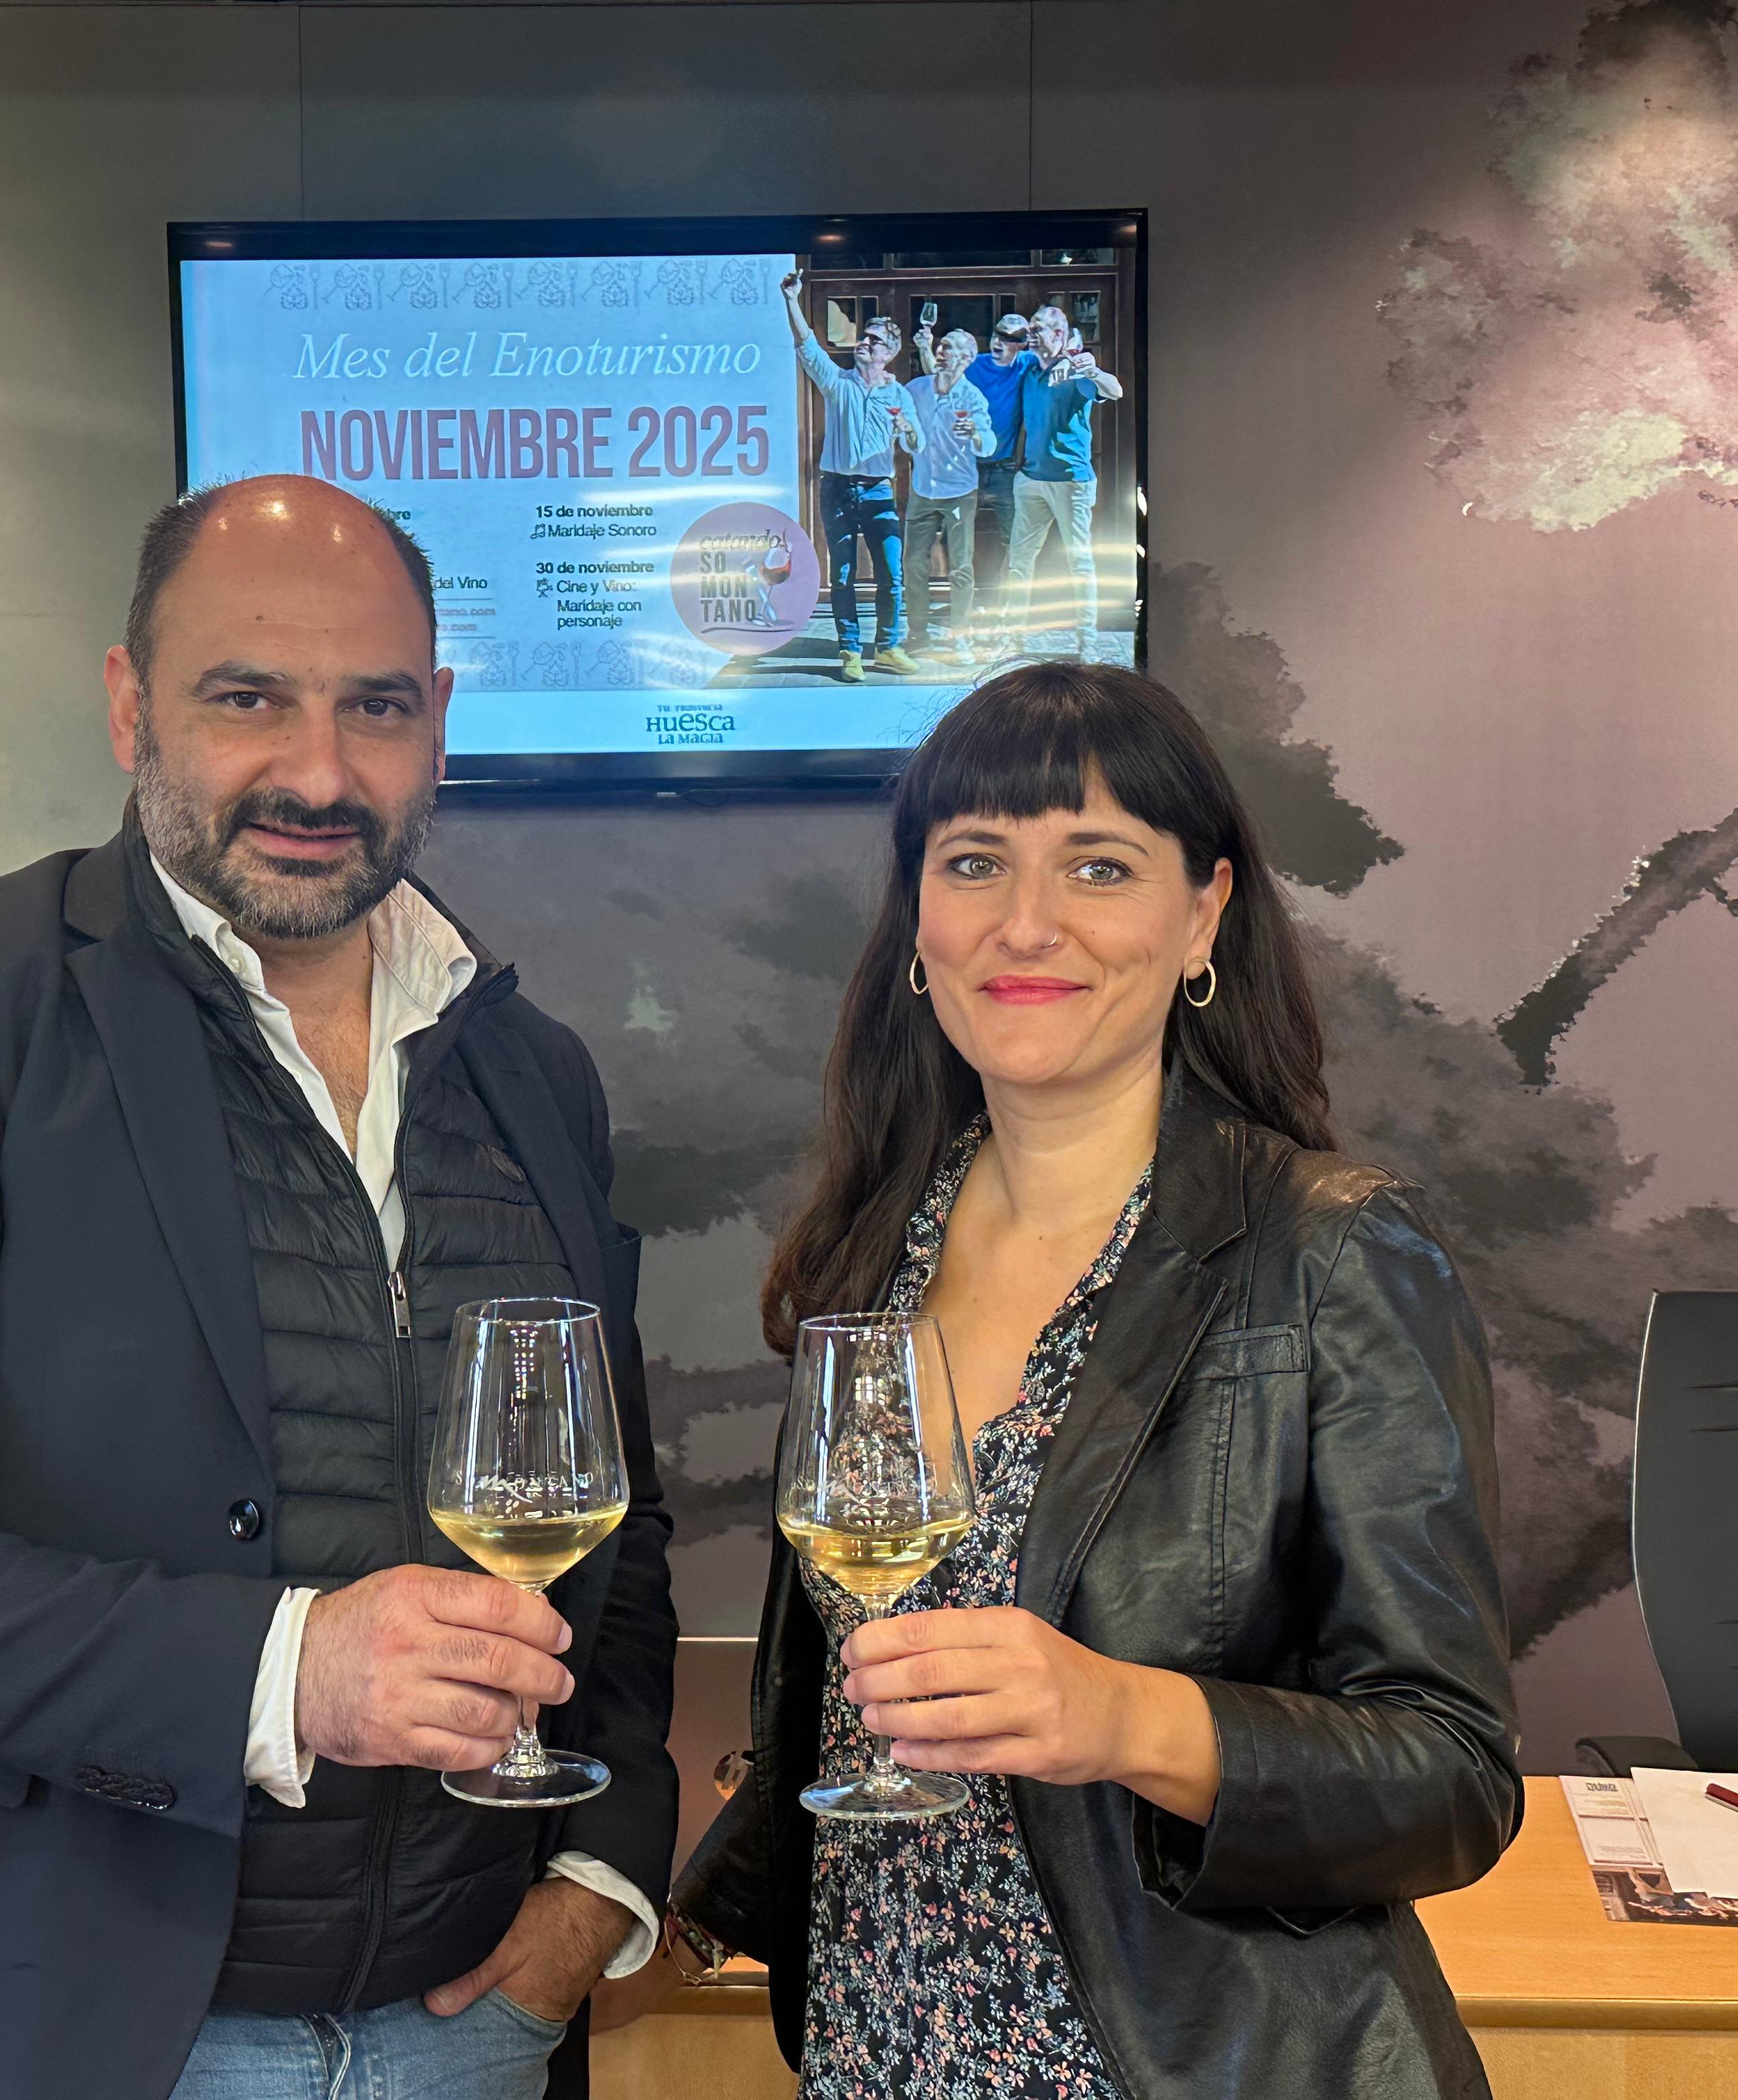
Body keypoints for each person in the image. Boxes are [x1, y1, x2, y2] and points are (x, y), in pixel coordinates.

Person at [0, 476, 677, 2100]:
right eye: (248, 699)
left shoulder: (529, 1069)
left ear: (437, 721)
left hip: (462, 2034)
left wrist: (604, 1871)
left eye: (373, 707)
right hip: (52, 2026)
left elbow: (613, 1526)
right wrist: (284, 1668)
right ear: (128, 705)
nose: (316, 772)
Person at [668, 662, 1521, 2098]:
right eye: (976, 862)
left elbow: (1454, 1777)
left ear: (1205, 914)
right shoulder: (872, 1250)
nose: (1027, 923)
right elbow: (841, 1698)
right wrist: (685, 1908)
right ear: (919, 922)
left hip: (1183, 2065)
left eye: (1100, 865)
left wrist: (1126, 1718)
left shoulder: (1334, 1251)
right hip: (884, 2048)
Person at [781, 269, 926, 683]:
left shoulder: (899, 395)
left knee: (891, 574)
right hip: (838, 488)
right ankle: (850, 651)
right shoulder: (837, 383)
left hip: (880, 490)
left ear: (890, 353)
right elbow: (807, 347)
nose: (864, 342)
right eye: (864, 337)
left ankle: (889, 647)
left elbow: (917, 445)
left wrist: (907, 431)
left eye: (874, 340)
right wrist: (793, 300)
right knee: (842, 574)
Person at [1003, 304, 1124, 661]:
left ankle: (1088, 643)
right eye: (1032, 328)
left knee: (1080, 562)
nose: (1032, 334)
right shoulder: (1029, 372)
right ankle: (1012, 639)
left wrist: (1095, 370)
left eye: (1039, 328)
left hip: (1071, 481)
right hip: (1031, 479)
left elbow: (1115, 391)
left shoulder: (1074, 369)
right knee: (1019, 562)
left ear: (1059, 335)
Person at [902, 325, 998, 667]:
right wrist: (907, 434)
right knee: (912, 563)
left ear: (968, 359)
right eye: (940, 347)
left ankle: (960, 639)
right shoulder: (916, 390)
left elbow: (989, 446)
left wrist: (974, 433)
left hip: (959, 492)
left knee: (961, 569)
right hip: (924, 490)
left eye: (950, 348)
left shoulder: (973, 398)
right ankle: (917, 634)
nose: (941, 352)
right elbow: (907, 440)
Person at [963, 313, 1034, 640]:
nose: (998, 342)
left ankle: (1006, 608)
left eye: (1008, 338)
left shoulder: (1028, 364)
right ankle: (968, 605)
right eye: (996, 334)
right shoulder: (974, 364)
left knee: (1013, 542)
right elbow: (942, 378)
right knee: (960, 538)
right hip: (968, 466)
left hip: (1006, 468)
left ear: (1020, 344)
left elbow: (1059, 354)